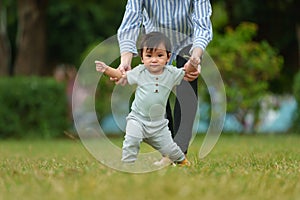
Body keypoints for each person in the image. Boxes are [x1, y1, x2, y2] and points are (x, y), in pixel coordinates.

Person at [115, 0, 213, 159]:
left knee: (187, 88)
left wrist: (195, 58)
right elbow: (131, 21)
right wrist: (125, 61)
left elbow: (202, 25)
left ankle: (180, 152)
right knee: (156, 91)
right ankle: (167, 152)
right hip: (155, 41)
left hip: (187, 39)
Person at [95, 32, 194, 166]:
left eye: (159, 55)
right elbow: (120, 75)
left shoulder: (171, 73)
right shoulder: (140, 72)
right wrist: (106, 69)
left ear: (168, 57)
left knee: (171, 150)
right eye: (149, 55)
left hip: (159, 125)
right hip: (138, 119)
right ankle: (127, 164)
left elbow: (186, 70)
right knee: (132, 140)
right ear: (142, 58)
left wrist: (194, 62)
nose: (154, 60)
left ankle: (183, 162)